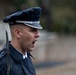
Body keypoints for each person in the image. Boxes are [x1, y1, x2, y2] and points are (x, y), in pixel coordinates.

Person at [0, 7, 42, 75]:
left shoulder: (26, 56)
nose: (38, 34)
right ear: (17, 33)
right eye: (33, 30)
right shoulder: (3, 64)